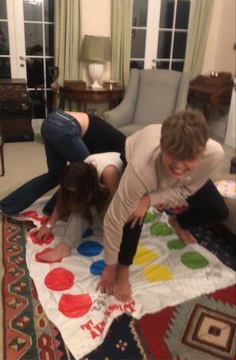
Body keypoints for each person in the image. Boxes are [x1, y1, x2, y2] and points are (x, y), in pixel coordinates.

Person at [97, 110, 229, 302]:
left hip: (168, 175)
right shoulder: (141, 169)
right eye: (173, 155)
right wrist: (111, 267)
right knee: (132, 215)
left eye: (188, 158)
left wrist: (149, 200)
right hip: (135, 153)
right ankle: (123, 269)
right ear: (163, 146)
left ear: (201, 153)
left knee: (218, 210)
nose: (179, 165)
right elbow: (114, 219)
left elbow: (186, 189)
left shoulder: (213, 154)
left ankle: (178, 221)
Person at [0, 110, 126, 217]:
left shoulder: (116, 144)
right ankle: (59, 210)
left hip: (51, 122)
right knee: (85, 176)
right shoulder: (123, 148)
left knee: (56, 174)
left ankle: (8, 206)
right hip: (65, 126)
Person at [35, 152, 123, 263]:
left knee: (94, 212)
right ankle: (64, 247)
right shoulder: (77, 171)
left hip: (121, 190)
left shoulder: (109, 173)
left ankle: (65, 246)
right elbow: (63, 198)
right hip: (100, 189)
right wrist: (49, 224)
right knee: (81, 208)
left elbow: (120, 204)